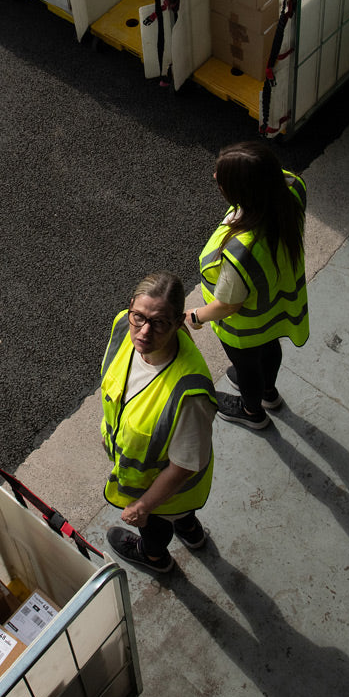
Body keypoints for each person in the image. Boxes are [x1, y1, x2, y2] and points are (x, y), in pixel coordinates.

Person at [100, 272, 218, 574]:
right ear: (130, 307)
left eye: (159, 323)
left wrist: (143, 507)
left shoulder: (190, 394)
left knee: (155, 525)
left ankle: (155, 557)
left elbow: (183, 467)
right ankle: (190, 530)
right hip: (147, 474)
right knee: (179, 516)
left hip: (164, 491)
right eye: (138, 317)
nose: (144, 331)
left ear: (178, 323)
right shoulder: (122, 326)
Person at [187, 140, 309, 431]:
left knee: (247, 367)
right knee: (270, 348)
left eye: (222, 179)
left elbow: (228, 305)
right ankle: (269, 393)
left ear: (244, 192)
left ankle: (252, 411)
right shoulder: (292, 191)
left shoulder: (240, 252)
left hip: (244, 329)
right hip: (274, 312)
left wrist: (195, 316)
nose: (215, 177)